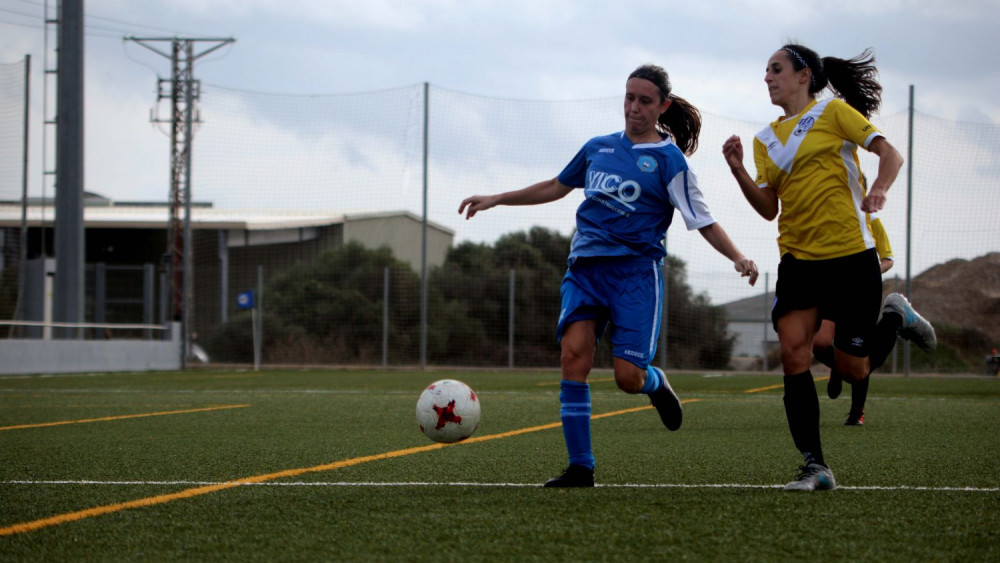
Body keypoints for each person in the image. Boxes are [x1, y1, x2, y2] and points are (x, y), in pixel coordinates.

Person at [459, 64, 759, 488]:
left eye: (645, 101)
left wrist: (738, 257)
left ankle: (654, 382)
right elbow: (557, 186)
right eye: (629, 98)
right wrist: (498, 199)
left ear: (663, 106)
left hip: (634, 275)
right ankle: (581, 467)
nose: (633, 108)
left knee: (626, 378)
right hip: (585, 270)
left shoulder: (669, 161)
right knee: (573, 357)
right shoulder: (598, 148)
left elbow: (702, 220)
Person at [722, 44, 936, 491]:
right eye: (765, 71)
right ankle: (815, 466)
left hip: (851, 258)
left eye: (776, 69)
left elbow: (891, 154)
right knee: (794, 353)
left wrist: (878, 189)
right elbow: (767, 208)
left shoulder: (834, 113)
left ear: (805, 76)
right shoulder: (764, 140)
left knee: (854, 369)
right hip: (798, 261)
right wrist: (739, 169)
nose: (767, 77)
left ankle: (895, 316)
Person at [816, 212, 894, 425]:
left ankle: (856, 412)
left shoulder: (872, 219)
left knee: (860, 351)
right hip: (833, 288)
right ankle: (838, 366)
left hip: (862, 294)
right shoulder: (832, 213)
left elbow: (888, 259)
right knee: (819, 342)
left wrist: (870, 273)